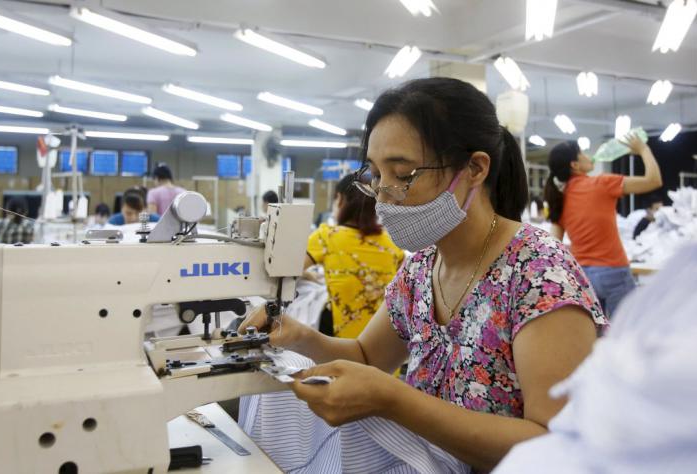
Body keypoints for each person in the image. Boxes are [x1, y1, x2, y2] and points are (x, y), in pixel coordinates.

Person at [241, 77, 607, 471]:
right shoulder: (421, 267)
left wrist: (395, 400)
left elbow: (554, 445)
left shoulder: (540, 274)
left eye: (403, 175)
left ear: (475, 168)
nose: (383, 196)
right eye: (376, 177)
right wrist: (300, 337)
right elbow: (367, 356)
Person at [493, 204, 697, 474]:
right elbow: (652, 178)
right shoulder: (599, 189)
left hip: (590, 272)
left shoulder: (561, 203)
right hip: (610, 271)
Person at [544, 138, 662, 317]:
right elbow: (653, 180)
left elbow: (554, 246)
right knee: (624, 335)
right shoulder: (603, 183)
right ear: (575, 165)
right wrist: (643, 149)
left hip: (583, 276)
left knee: (593, 339)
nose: (588, 156)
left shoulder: (559, 199)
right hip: (614, 271)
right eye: (582, 153)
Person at [304, 173, 405, 338]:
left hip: (343, 348)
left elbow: (289, 270)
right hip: (384, 349)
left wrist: (310, 276)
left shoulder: (326, 237)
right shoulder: (393, 244)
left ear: (340, 199)